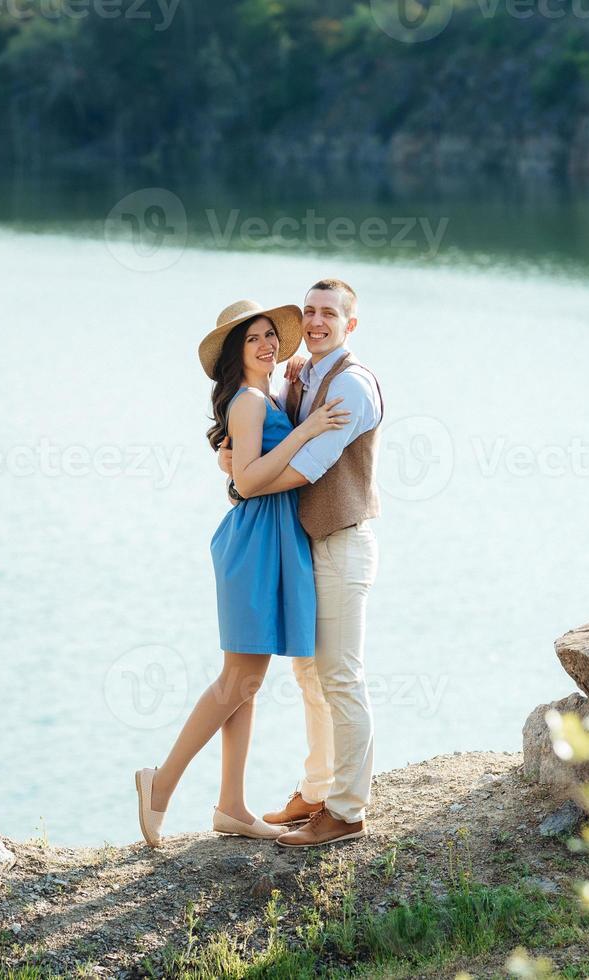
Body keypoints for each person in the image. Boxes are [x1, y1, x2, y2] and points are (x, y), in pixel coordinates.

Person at [134, 299, 350, 847]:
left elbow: (241, 474)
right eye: (253, 338)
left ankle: (231, 805)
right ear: (237, 351)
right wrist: (306, 432)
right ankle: (160, 784)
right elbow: (250, 482)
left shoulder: (269, 396)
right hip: (255, 543)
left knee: (248, 685)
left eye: (270, 336)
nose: (267, 345)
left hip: (271, 540)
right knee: (238, 680)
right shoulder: (250, 401)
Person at [219, 278, 384, 848]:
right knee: (309, 673)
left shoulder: (353, 386)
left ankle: (347, 809)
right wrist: (238, 462)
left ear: (350, 325)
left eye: (328, 314)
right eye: (309, 311)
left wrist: (245, 484)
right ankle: (316, 789)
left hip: (342, 542)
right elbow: (256, 443)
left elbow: (306, 465)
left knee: (341, 676)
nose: (315, 322)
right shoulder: (301, 378)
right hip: (307, 544)